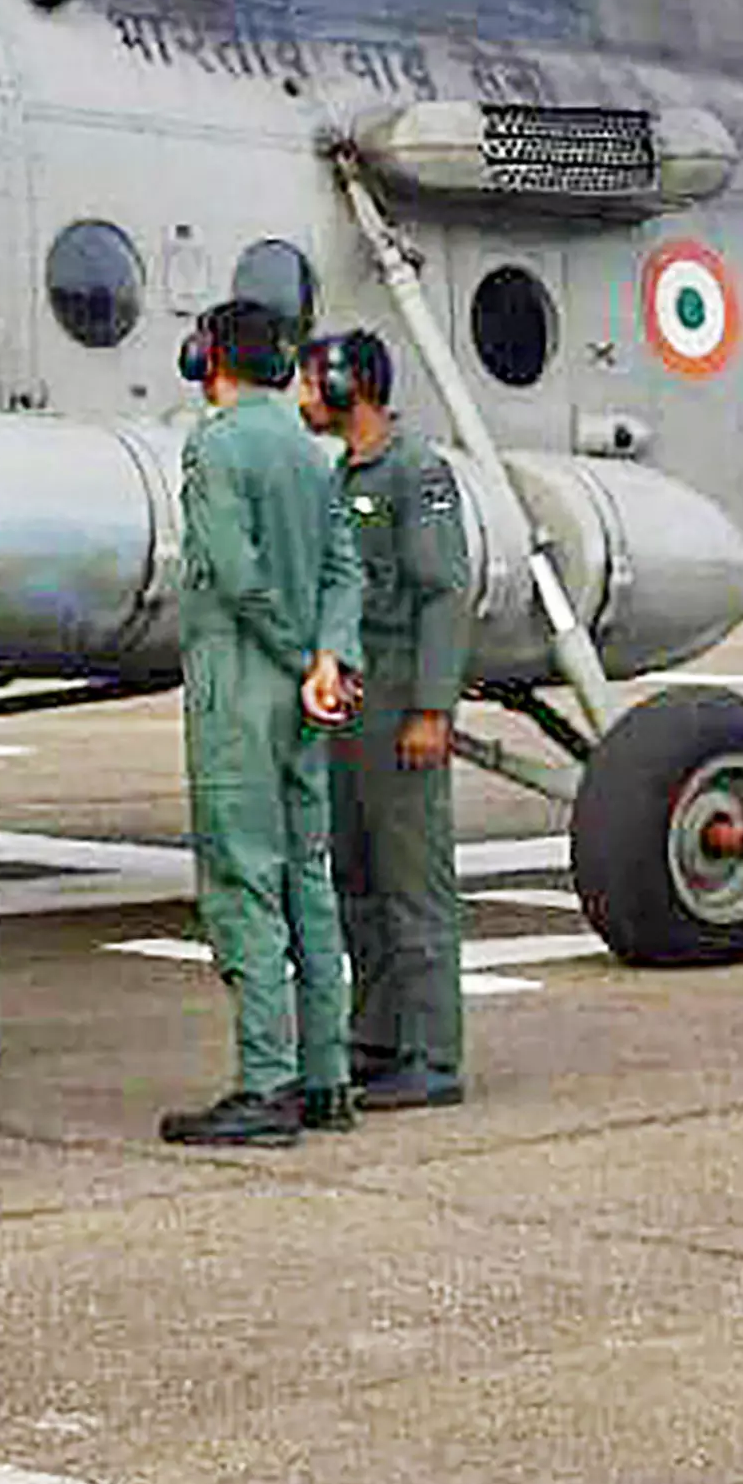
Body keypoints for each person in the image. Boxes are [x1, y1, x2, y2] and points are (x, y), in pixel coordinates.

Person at [163, 299, 365, 1148]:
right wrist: (327, 659)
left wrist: (290, 656)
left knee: (243, 881)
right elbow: (343, 570)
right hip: (306, 699)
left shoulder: (216, 446)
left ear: (208, 356)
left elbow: (238, 576)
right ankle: (327, 1078)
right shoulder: (311, 453)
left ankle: (265, 1085)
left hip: (240, 688)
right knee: (308, 881)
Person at [305, 330, 475, 1111]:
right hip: (354, 711)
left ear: (350, 385)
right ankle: (376, 1036)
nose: (304, 396)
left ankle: (434, 1054)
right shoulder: (346, 475)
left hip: (402, 700)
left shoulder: (416, 473)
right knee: (357, 881)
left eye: (314, 381)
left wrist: (433, 709)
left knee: (415, 885)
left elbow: (443, 592)